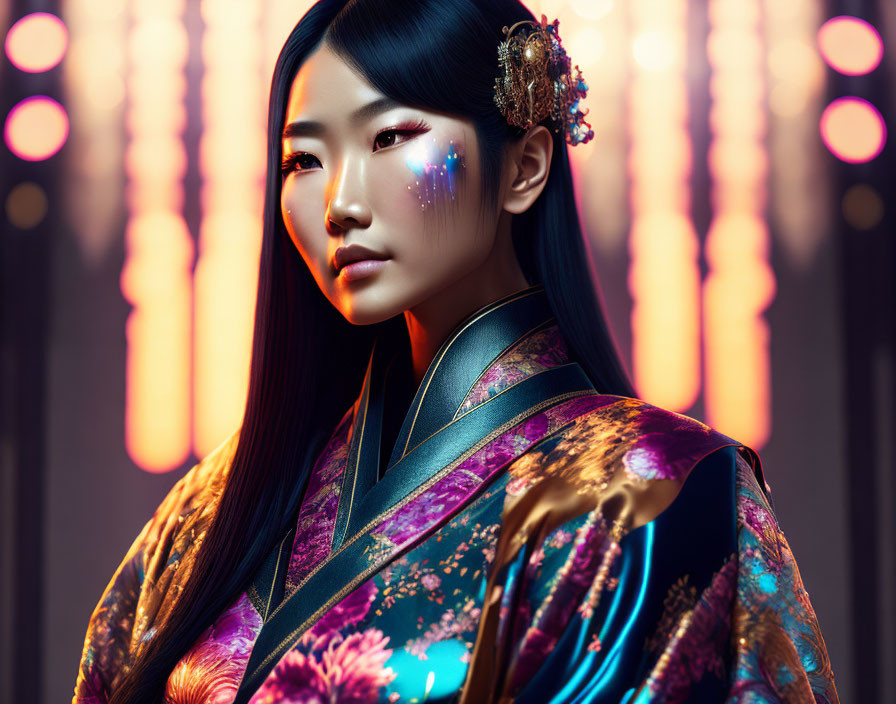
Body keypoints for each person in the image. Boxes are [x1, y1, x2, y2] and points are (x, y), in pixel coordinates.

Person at [73, 1, 839, 702]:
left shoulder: (651, 492)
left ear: (525, 166)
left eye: (390, 137)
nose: (340, 201)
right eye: (304, 160)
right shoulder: (215, 508)